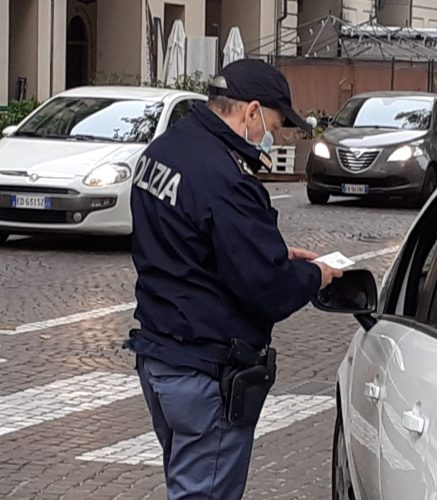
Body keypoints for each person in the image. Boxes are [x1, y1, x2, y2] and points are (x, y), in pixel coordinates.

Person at [124, 58, 342, 500]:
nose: (274, 135)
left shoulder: (165, 150)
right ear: (251, 111)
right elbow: (268, 289)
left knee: (186, 486)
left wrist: (273, 253)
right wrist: (315, 274)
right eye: (276, 124)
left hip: (160, 357)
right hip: (206, 370)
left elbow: (191, 243)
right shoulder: (225, 176)